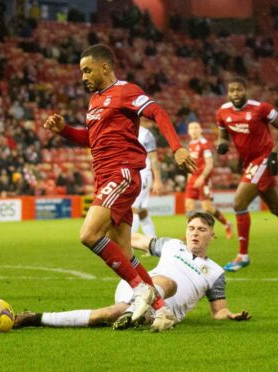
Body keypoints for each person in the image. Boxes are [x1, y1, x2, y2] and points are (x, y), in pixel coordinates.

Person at [43, 44, 197, 329]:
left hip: (121, 173)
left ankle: (141, 290)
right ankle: (163, 311)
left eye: (87, 70)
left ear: (105, 67)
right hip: (104, 177)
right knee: (124, 251)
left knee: (89, 234)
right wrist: (63, 130)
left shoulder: (126, 91)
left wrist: (176, 148)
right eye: (81, 71)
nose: (83, 76)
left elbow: (158, 113)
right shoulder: (95, 101)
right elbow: (91, 139)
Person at [13, 212, 251, 332]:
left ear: (212, 235)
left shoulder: (216, 272)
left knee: (106, 314)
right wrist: (104, 230)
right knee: (168, 282)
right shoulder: (171, 245)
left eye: (201, 229)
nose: (195, 233)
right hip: (137, 286)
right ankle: (144, 304)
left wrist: (231, 316)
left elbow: (218, 311)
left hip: (152, 310)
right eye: (191, 228)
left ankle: (35, 317)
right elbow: (134, 239)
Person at [216, 78, 278, 271]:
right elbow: (223, 136)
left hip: (263, 158)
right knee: (277, 207)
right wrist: (222, 145)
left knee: (238, 203)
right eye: (232, 91)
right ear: (228, 93)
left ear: (246, 90)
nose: (235, 94)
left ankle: (242, 256)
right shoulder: (223, 112)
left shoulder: (261, 108)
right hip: (248, 163)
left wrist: (275, 152)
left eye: (239, 90)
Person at [184, 121, 233, 238]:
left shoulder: (204, 144)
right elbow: (191, 163)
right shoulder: (191, 144)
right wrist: (189, 177)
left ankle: (227, 224)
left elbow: (209, 164)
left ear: (200, 130)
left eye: (196, 128)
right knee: (189, 206)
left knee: (207, 207)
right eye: (191, 128)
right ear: (188, 131)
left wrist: (202, 177)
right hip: (193, 178)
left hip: (203, 179)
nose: (194, 130)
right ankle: (192, 234)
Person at [131, 119, 163, 238]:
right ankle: (153, 243)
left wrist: (157, 180)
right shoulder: (124, 131)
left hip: (143, 175)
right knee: (141, 211)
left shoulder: (145, 134)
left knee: (132, 208)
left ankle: (128, 244)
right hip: (132, 175)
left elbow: (154, 159)